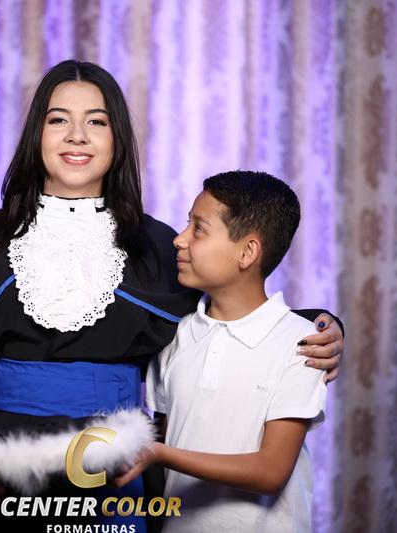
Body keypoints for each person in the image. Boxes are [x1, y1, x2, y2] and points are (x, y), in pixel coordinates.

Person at [0, 60, 344, 532]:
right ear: (36, 135)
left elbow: (235, 306)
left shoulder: (158, 247)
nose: (76, 136)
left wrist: (318, 323)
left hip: (113, 469)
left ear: (117, 139)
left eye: (96, 121)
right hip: (1, 473)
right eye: (58, 120)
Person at [114, 171, 329, 532]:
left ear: (247, 252)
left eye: (198, 229)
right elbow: (167, 439)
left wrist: (160, 454)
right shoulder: (175, 335)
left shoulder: (302, 344)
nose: (179, 240)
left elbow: (271, 472)